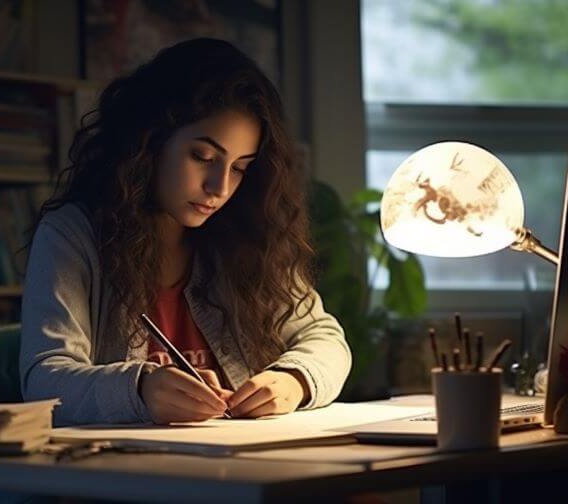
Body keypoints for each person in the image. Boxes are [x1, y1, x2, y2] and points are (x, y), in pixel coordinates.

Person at [21, 37, 351, 426]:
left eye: (240, 167)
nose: (220, 187)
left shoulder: (248, 236)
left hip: (243, 465)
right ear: (150, 141)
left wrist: (294, 381)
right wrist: (140, 390)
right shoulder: (73, 234)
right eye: (203, 157)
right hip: (127, 475)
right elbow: (44, 379)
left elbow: (324, 337)